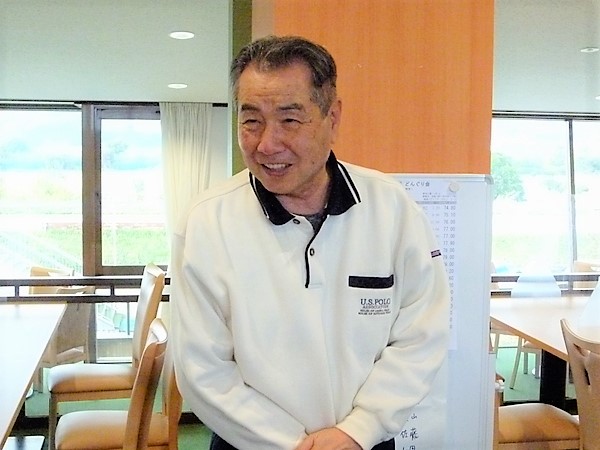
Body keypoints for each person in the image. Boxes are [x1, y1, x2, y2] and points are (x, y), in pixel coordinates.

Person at [171, 35, 450, 450]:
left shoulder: (391, 208)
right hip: (248, 444)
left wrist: (358, 430)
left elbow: (421, 332)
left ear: (332, 117)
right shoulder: (207, 222)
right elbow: (201, 369)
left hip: (363, 442)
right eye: (251, 121)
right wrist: (293, 444)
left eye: (289, 120)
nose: (267, 144)